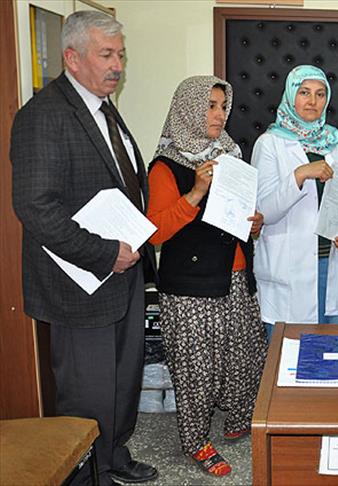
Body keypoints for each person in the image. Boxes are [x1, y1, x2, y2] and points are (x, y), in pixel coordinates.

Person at [11, 11, 157, 486]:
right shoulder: (44, 115)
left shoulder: (103, 107)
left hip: (124, 272)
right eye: (107, 54)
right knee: (87, 393)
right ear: (72, 58)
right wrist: (104, 254)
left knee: (123, 380)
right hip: (80, 284)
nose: (117, 65)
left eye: (121, 55)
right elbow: (36, 208)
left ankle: (113, 455)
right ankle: (85, 477)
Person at [147, 76, 267, 476]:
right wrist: (195, 192)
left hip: (236, 277)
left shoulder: (230, 156)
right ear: (188, 109)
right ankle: (196, 441)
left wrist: (254, 223)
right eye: (210, 106)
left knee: (245, 355)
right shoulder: (165, 166)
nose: (219, 115)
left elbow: (236, 214)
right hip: (190, 287)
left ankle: (238, 419)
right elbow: (155, 232)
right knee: (197, 368)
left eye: (222, 106)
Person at [251, 65, 338, 339]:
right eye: (304, 92)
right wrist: (299, 175)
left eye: (320, 94)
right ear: (291, 96)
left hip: (332, 260)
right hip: (288, 270)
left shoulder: (335, 140)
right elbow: (263, 210)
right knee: (288, 354)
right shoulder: (269, 143)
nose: (312, 101)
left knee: (330, 350)